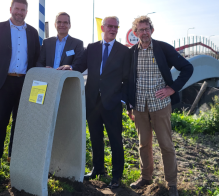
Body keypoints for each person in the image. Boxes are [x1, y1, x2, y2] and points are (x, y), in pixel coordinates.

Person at [58, 16, 130, 189]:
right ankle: (98, 169)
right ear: (103, 28)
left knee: (115, 140)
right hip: (92, 102)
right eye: (110, 26)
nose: (113, 29)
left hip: (112, 103)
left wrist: (122, 99)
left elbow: (127, 78)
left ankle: (117, 176)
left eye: (116, 27)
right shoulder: (92, 48)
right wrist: (70, 67)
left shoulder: (124, 51)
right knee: (95, 137)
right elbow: (80, 65)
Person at [127, 16, 193, 196]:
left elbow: (187, 68)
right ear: (135, 33)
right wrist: (129, 106)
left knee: (166, 145)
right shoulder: (132, 52)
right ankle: (146, 177)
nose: (144, 32)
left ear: (152, 30)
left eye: (147, 29)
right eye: (141, 30)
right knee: (143, 145)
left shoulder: (163, 48)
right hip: (140, 105)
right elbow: (128, 80)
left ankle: (171, 184)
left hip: (160, 105)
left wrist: (172, 88)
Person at [0, 0, 40, 184]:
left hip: (25, 83)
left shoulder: (32, 32)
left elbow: (36, 59)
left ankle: (14, 160)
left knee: (20, 123)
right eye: (17, 9)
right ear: (10, 9)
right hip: (3, 83)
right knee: (0, 123)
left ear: (26, 12)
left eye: (23, 10)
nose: (19, 12)